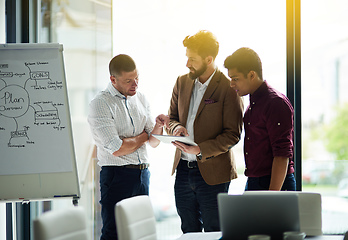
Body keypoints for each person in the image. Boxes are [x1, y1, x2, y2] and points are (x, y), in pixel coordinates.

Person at [166, 30, 244, 233]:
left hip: (214, 173)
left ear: (209, 59)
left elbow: (233, 134)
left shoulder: (228, 88)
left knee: (214, 230)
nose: (187, 64)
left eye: (192, 59)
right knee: (188, 230)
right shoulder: (181, 82)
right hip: (183, 170)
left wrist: (200, 149)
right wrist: (177, 128)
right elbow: (171, 118)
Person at [87, 54, 169, 240]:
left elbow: (154, 142)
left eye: (137, 78)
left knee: (140, 232)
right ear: (113, 79)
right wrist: (143, 137)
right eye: (128, 81)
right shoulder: (100, 104)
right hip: (116, 176)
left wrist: (158, 126)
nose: (135, 84)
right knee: (114, 233)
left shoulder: (141, 99)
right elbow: (117, 149)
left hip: (142, 174)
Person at [224, 47, 296, 191]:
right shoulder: (253, 105)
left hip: (274, 184)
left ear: (251, 75)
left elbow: (282, 155)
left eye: (235, 79)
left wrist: (271, 195)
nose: (232, 84)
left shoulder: (275, 103)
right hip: (255, 181)